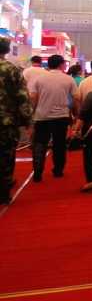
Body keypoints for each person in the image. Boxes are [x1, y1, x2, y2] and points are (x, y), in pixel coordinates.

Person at [28, 55, 78, 182]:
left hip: (42, 116)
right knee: (59, 144)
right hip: (61, 116)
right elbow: (76, 98)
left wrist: (33, 113)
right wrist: (75, 114)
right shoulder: (68, 79)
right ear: (61, 64)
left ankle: (37, 172)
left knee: (40, 144)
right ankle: (58, 170)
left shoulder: (39, 79)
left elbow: (33, 97)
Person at [0, 38, 33, 204]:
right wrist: (28, 121)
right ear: (7, 50)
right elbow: (22, 97)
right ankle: (3, 193)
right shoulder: (11, 70)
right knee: (5, 157)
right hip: (6, 123)